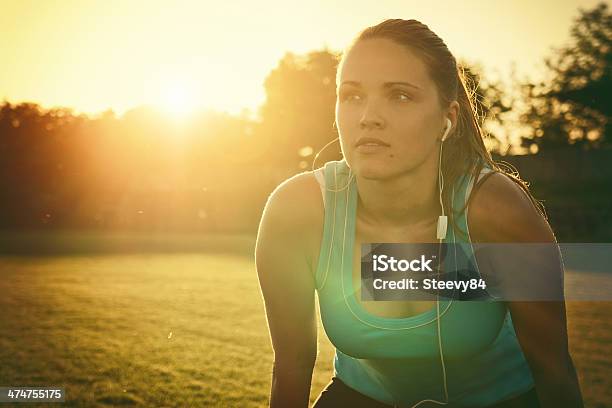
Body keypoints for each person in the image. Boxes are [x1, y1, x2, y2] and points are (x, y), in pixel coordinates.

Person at [255, 19, 584, 408]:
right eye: (352, 96)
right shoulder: (298, 211)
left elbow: (553, 370)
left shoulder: (496, 211)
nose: (368, 117)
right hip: (363, 398)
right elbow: (291, 367)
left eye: (400, 96)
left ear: (448, 119)